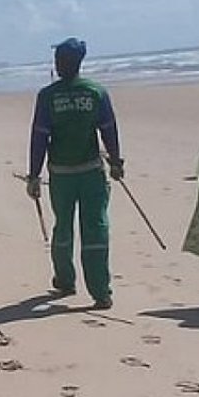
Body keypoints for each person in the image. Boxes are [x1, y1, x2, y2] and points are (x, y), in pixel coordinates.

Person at [26, 38, 123, 310]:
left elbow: (39, 137)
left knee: (63, 228)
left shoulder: (48, 96)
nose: (56, 64)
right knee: (96, 229)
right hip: (91, 172)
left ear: (61, 63)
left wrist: (34, 175)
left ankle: (65, 280)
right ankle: (100, 292)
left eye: (58, 59)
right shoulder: (96, 92)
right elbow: (109, 129)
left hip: (62, 175)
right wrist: (116, 161)